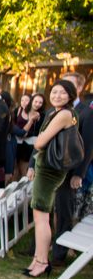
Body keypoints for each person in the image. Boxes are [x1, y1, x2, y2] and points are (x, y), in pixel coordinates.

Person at [24, 80, 80, 277]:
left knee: (41, 217)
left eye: (62, 92)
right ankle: (38, 258)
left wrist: (40, 140)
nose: (57, 95)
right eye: (54, 92)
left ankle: (41, 261)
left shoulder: (65, 114)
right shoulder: (57, 112)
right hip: (47, 168)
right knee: (42, 216)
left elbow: (39, 142)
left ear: (71, 95)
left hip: (49, 171)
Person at [52, 72, 93, 266]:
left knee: (64, 211)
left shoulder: (86, 112)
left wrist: (79, 174)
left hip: (70, 172)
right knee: (51, 209)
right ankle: (46, 245)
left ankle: (59, 254)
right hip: (53, 170)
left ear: (78, 89)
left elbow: (88, 146)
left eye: (67, 85)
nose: (61, 90)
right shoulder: (56, 110)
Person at [12, 93, 45, 181]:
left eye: (40, 102)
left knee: (24, 170)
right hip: (17, 142)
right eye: (36, 101)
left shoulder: (41, 115)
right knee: (14, 169)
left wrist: (27, 132)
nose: (37, 104)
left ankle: (23, 190)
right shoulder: (19, 110)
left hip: (29, 145)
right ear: (32, 101)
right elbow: (13, 124)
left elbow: (39, 131)